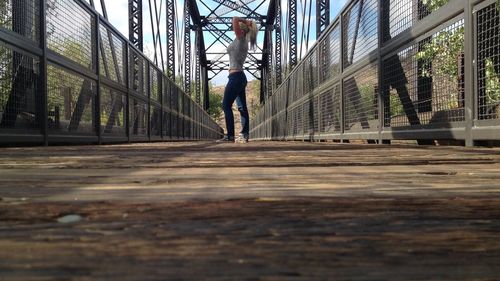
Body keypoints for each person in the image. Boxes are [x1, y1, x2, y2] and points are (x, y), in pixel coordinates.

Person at [217, 17, 258, 143]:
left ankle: (230, 136)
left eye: (238, 27)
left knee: (226, 105)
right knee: (242, 108)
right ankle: (244, 135)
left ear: (241, 30)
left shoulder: (241, 38)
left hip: (235, 78)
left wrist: (246, 21)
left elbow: (234, 18)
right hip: (240, 78)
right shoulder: (242, 41)